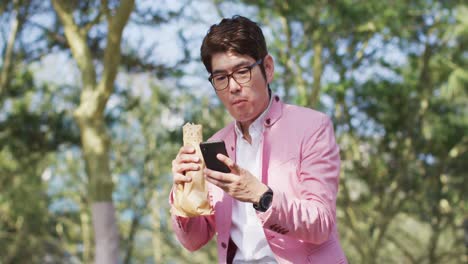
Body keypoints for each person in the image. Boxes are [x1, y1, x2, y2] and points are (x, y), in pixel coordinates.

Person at [170, 15, 347, 264]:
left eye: (242, 71)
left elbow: (321, 223)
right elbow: (193, 240)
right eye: (221, 78)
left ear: (268, 68)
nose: (233, 87)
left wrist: (261, 196)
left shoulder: (312, 127)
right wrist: (182, 192)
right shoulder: (213, 146)